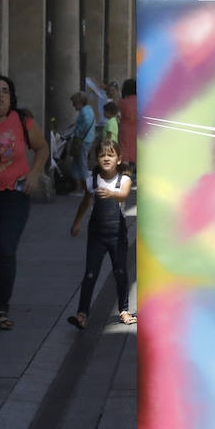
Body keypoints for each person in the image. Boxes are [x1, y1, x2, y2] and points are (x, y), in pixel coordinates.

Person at [0, 74, 49, 329]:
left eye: (5, 90)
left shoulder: (22, 121)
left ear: (11, 96)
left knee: (4, 249)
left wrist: (35, 173)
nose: (0, 95)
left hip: (13, 195)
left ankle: (1, 308)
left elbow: (42, 148)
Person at [68, 140, 135, 328]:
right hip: (96, 234)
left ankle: (124, 310)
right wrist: (77, 222)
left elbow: (123, 195)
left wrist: (111, 194)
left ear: (119, 159)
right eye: (102, 155)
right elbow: (86, 202)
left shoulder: (124, 180)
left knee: (120, 272)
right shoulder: (92, 180)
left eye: (111, 155)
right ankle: (82, 313)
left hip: (117, 234)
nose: (106, 158)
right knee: (90, 274)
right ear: (97, 159)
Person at [70, 91, 97, 187]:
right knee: (78, 161)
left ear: (79, 103)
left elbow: (85, 122)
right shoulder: (89, 109)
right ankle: (79, 185)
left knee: (81, 161)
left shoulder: (84, 111)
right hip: (87, 139)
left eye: (74, 103)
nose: (73, 106)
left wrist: (79, 132)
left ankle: (86, 185)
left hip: (83, 140)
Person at [118, 78, 137, 175]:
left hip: (125, 130)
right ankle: (133, 173)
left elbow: (117, 115)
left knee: (124, 152)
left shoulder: (122, 102)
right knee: (135, 152)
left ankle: (125, 175)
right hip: (137, 129)